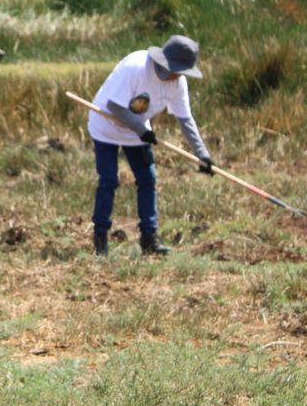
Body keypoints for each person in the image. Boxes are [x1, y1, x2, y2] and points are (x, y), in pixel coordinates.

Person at [87, 35, 213, 256]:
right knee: (109, 180)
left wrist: (202, 153)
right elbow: (115, 106)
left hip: (137, 131)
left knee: (148, 179)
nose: (179, 75)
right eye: (178, 69)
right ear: (166, 64)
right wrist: (142, 130)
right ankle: (101, 238)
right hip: (106, 125)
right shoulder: (136, 67)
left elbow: (185, 119)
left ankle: (149, 238)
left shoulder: (178, 82)